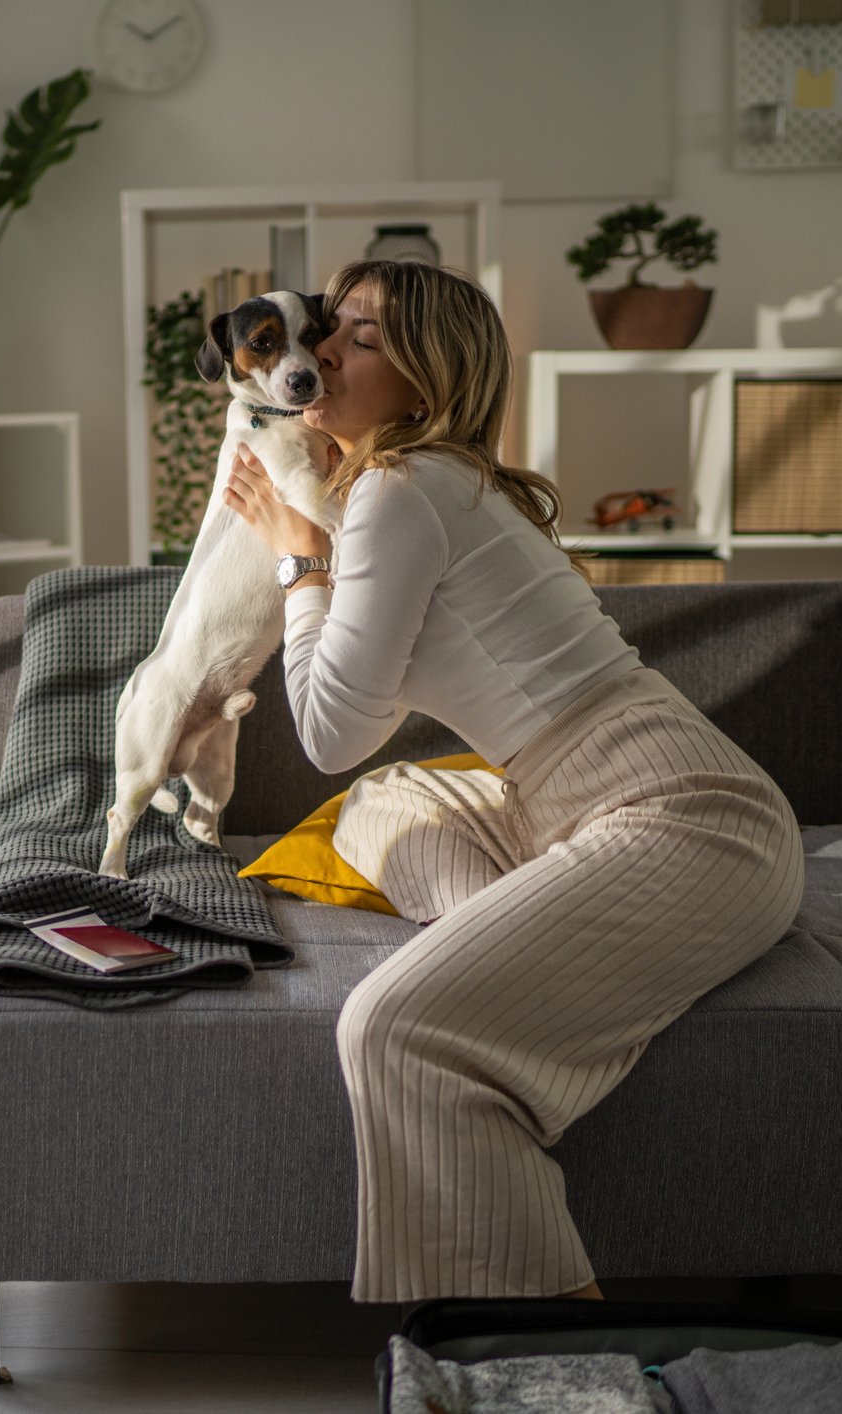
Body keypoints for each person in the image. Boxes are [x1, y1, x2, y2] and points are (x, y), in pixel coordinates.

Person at [221, 259, 804, 1306]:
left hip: (682, 818)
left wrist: (298, 557)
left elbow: (328, 729)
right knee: (381, 806)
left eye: (359, 337)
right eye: (325, 332)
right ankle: (525, 950)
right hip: (569, 803)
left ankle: (554, 1338)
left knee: (393, 1025)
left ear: (428, 379)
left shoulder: (401, 491)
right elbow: (362, 746)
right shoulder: (415, 486)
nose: (322, 355)